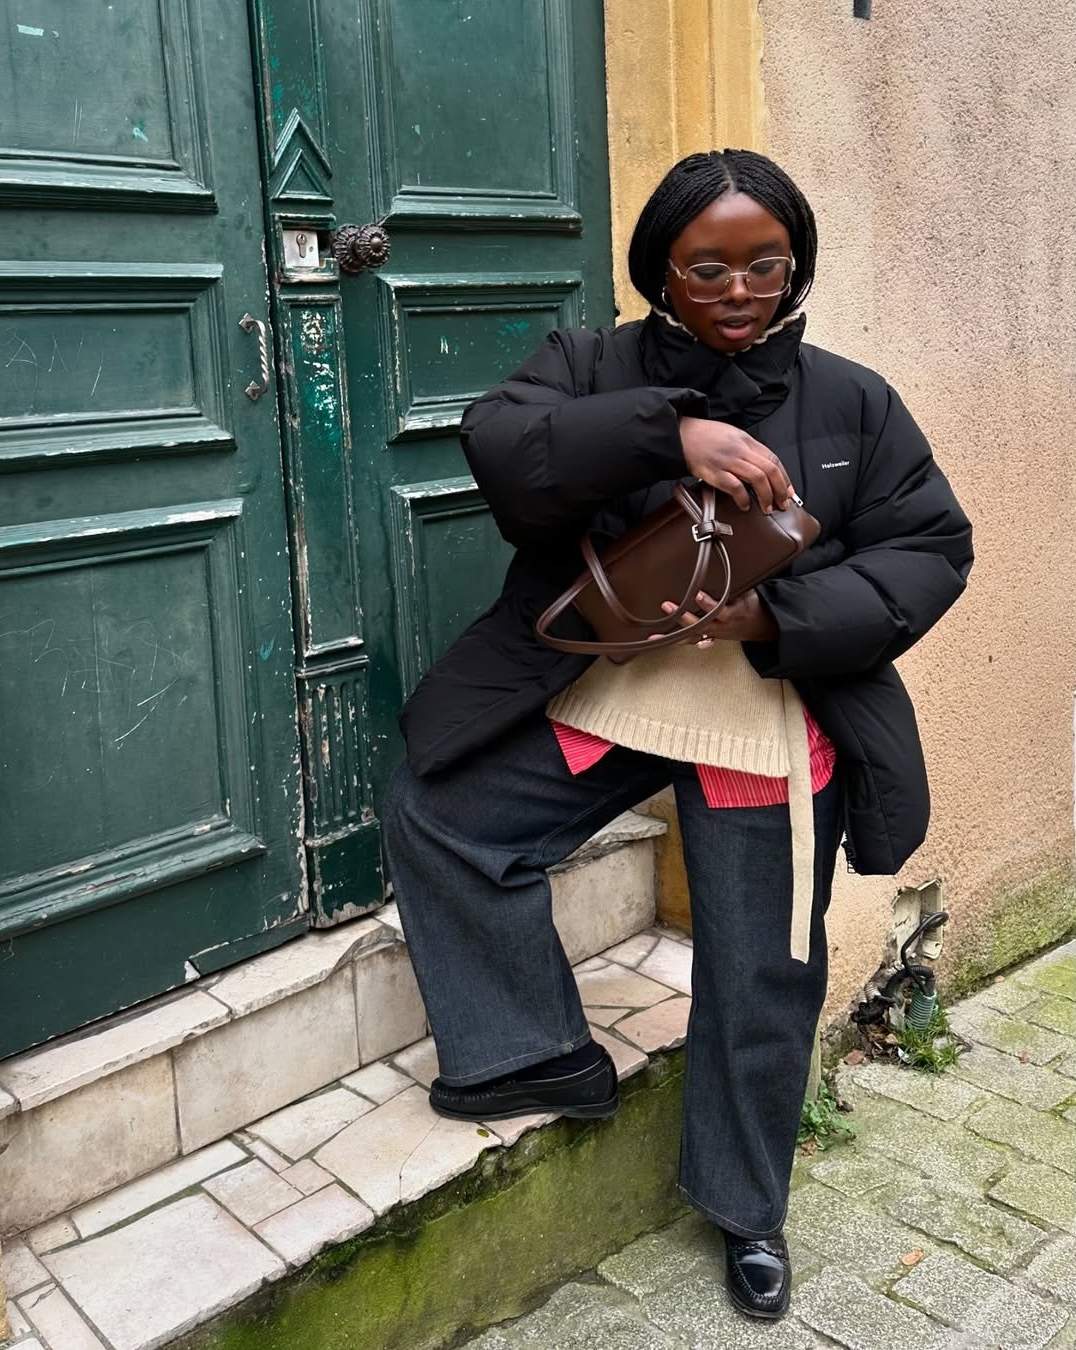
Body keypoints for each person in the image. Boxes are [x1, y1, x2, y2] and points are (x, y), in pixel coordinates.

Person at [384, 149, 972, 1321]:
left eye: (768, 264)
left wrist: (779, 614)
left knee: (763, 968)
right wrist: (669, 432)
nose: (741, 290)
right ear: (661, 268)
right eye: (708, 268)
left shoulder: (853, 398)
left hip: (764, 712)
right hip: (613, 692)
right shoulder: (589, 363)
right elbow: (503, 448)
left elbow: (931, 549)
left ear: (796, 266)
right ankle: (533, 1052)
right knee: (439, 812)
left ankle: (748, 1208)